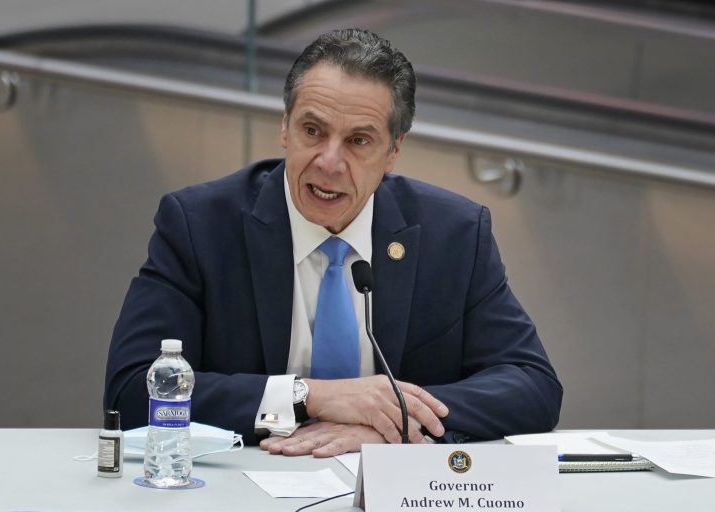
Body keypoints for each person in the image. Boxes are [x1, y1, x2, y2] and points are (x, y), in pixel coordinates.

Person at [104, 28, 562, 458]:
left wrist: (388, 418)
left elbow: (532, 385)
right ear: (285, 127)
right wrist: (312, 397)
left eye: (359, 140)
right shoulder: (199, 225)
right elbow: (132, 390)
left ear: (393, 151)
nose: (328, 161)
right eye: (312, 130)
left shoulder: (454, 234)